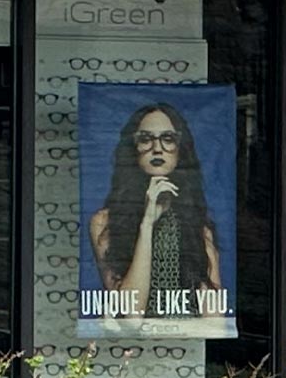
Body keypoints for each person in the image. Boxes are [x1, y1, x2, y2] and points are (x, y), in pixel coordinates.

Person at [87, 102, 223, 317]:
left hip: (186, 343)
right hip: (129, 347)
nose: (157, 148)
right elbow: (130, 316)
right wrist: (148, 222)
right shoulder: (105, 222)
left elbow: (215, 319)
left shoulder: (197, 225)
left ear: (180, 150)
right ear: (133, 149)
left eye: (168, 139)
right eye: (146, 139)